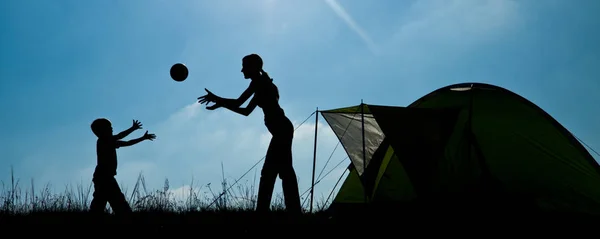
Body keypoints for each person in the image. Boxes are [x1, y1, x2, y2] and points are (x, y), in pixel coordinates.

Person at [197, 54, 302, 214]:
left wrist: (218, 100)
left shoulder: (260, 83)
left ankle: (269, 211)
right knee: (282, 171)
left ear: (253, 67)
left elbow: (240, 104)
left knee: (273, 172)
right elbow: (245, 110)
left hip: (282, 130)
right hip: (282, 129)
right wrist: (221, 103)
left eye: (244, 66)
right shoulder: (259, 83)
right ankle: (290, 211)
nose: (241, 70)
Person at [89, 118, 156, 214]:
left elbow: (127, 142)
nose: (112, 129)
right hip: (105, 178)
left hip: (103, 177)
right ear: (102, 130)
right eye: (109, 127)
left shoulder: (106, 141)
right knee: (118, 204)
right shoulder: (105, 141)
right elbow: (122, 137)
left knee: (100, 203)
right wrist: (134, 130)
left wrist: (141, 137)